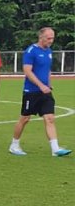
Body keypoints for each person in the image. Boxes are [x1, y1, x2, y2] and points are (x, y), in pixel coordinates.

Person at [9, 26, 71, 157]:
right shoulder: (31, 51)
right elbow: (27, 71)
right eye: (48, 38)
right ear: (41, 37)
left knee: (50, 118)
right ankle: (14, 145)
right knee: (25, 119)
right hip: (31, 91)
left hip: (45, 92)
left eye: (52, 38)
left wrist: (48, 84)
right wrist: (41, 85)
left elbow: (47, 69)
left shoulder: (49, 51)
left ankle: (55, 149)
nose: (51, 41)